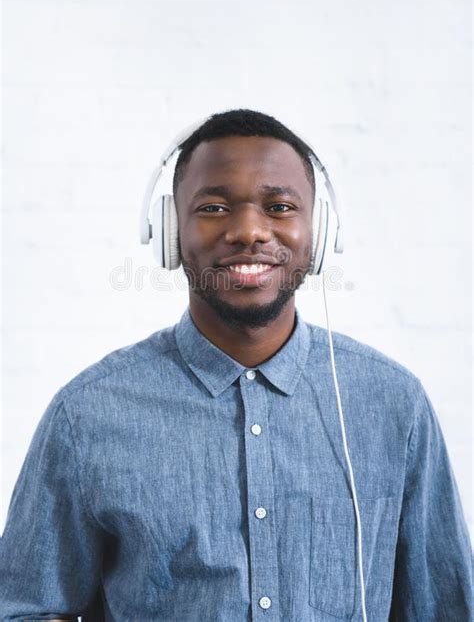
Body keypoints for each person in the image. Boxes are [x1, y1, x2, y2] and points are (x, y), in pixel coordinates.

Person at [0, 109, 471, 621]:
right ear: (169, 233)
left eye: (280, 206)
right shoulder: (87, 414)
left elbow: (445, 608)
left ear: (320, 232)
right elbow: (25, 609)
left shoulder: (393, 404)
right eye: (215, 207)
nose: (249, 231)